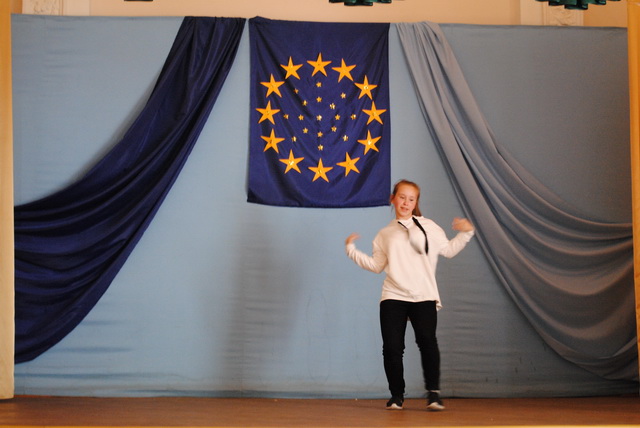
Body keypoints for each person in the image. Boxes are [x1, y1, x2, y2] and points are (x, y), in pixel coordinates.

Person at [344, 179, 475, 411]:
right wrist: (351, 250)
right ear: (393, 199)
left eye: (411, 199)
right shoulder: (384, 234)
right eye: (402, 197)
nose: (406, 203)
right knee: (392, 347)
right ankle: (397, 396)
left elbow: (448, 250)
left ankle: (433, 394)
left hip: (423, 294)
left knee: (427, 341)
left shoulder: (429, 226)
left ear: (416, 203)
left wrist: (467, 232)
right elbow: (376, 265)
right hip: (393, 295)